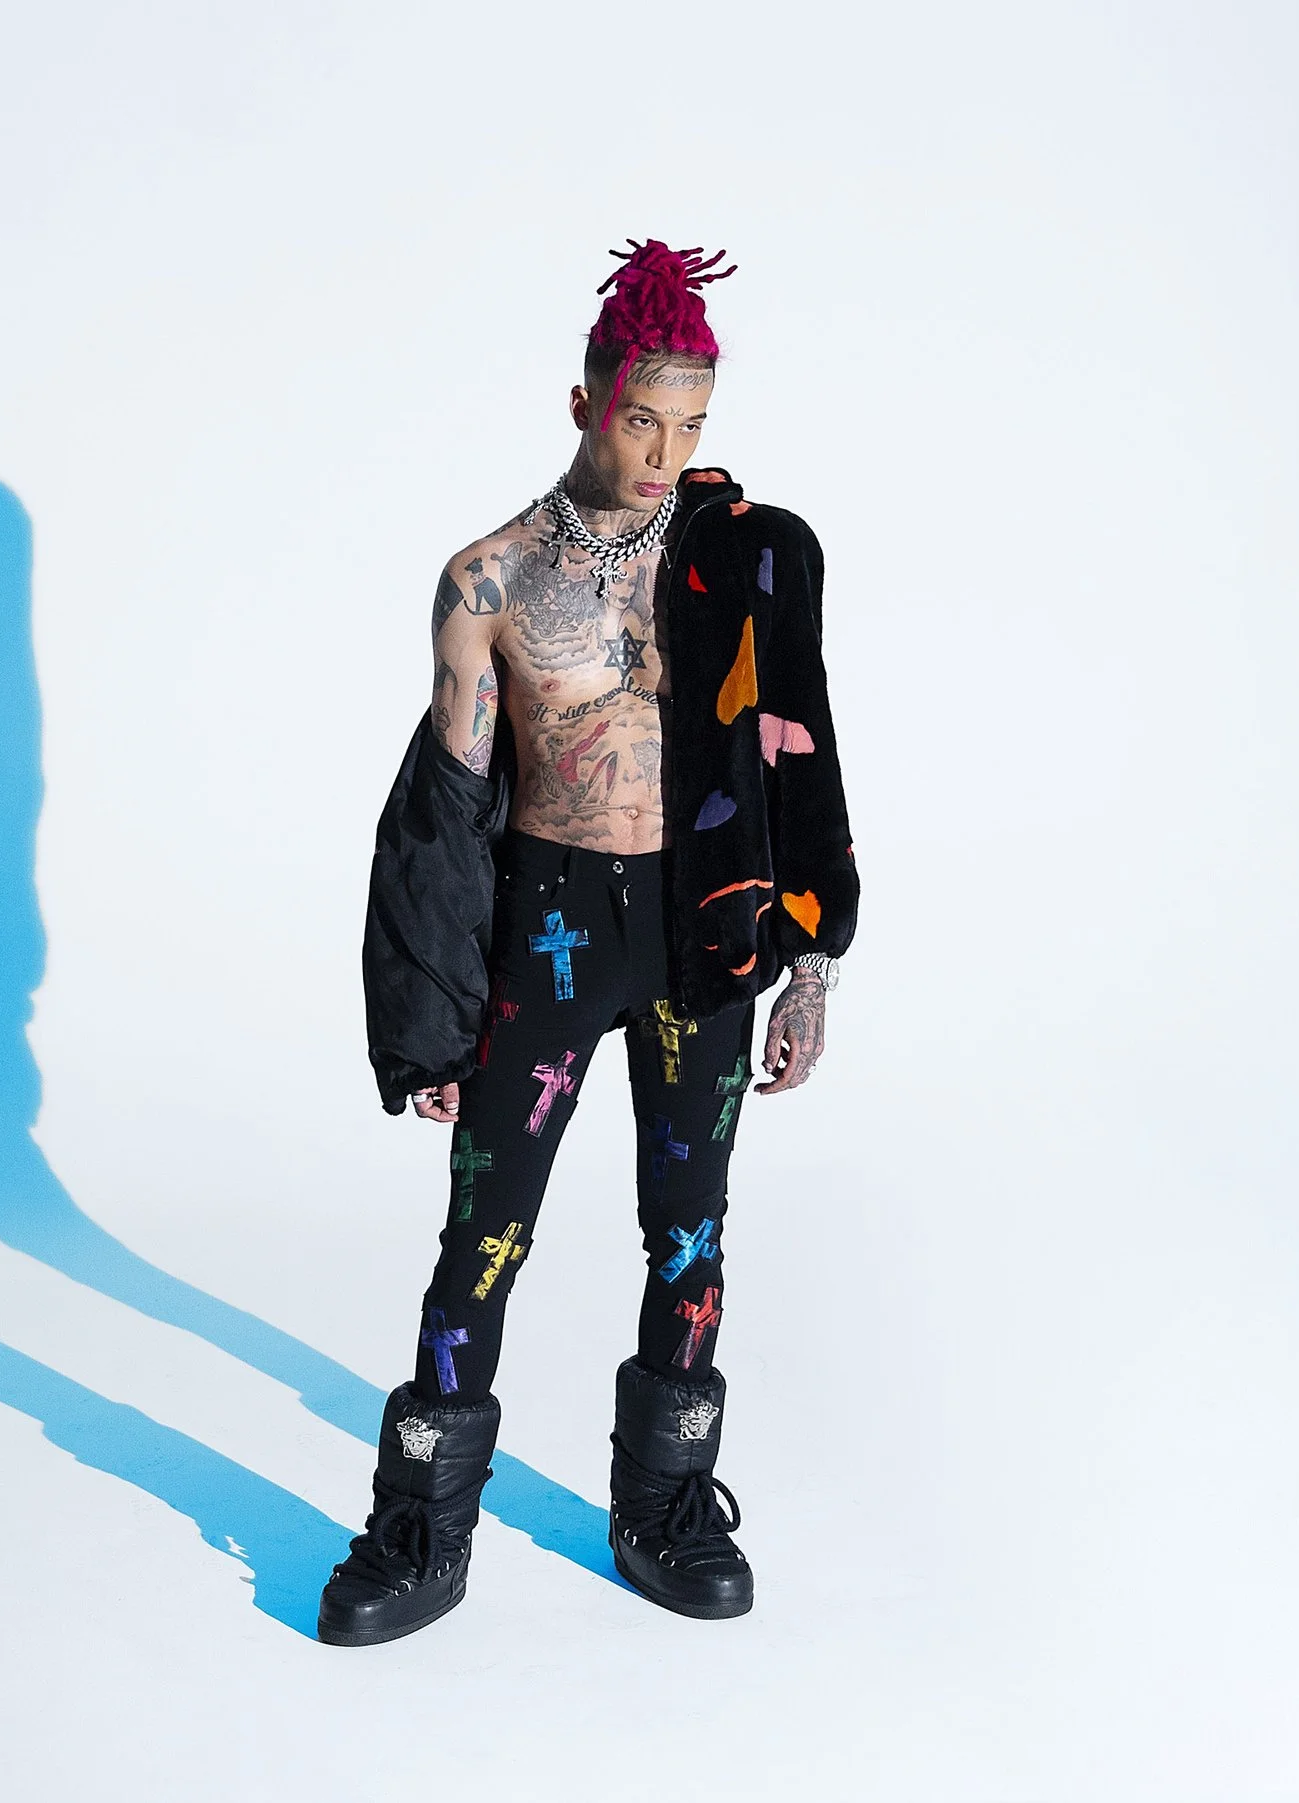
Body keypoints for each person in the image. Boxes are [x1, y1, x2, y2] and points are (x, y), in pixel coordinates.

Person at [319, 241, 860, 1647]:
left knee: (692, 1230)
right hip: (550, 924)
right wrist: (432, 1019)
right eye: (640, 421)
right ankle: (423, 1520)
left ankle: (663, 1501)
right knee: (483, 1233)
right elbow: (444, 813)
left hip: (699, 928)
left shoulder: (741, 560)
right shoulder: (487, 583)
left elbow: (800, 758)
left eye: (691, 425)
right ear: (584, 403)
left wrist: (811, 963)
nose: (664, 455)